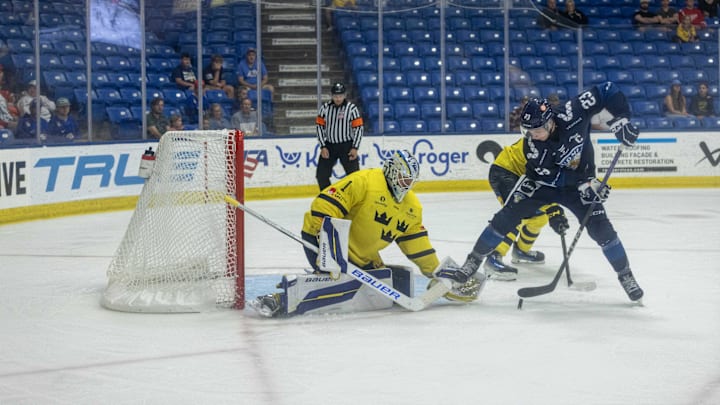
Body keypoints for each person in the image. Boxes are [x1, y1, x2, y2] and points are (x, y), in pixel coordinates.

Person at [445, 84, 645, 303]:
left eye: (537, 130)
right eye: (529, 131)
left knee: (601, 230)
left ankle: (626, 276)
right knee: (507, 216)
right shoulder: (532, 145)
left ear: (550, 122)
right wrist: (585, 185)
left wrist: (621, 120)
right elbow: (552, 178)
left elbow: (607, 90)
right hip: (543, 183)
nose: (533, 135)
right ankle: (472, 262)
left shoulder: (573, 111)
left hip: (580, 181)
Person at [248, 150, 482, 317]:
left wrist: (438, 273)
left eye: (411, 180)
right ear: (391, 172)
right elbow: (325, 204)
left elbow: (417, 244)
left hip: (360, 257)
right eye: (403, 178)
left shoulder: (412, 207)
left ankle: (332, 278)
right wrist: (329, 243)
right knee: (343, 287)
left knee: (393, 285)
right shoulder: (365, 181)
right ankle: (280, 300)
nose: (407, 184)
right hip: (324, 241)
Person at [483, 137, 570, 281]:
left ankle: (521, 250)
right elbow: (541, 181)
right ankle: (494, 257)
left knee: (540, 217)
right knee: (516, 213)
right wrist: (554, 208)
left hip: (523, 176)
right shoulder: (550, 145)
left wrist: (555, 209)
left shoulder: (566, 149)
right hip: (506, 171)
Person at [315, 82, 364, 191]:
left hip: (347, 146)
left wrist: (355, 147)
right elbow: (319, 127)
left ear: (345, 95)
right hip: (329, 146)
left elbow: (359, 128)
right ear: (331, 96)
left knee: (355, 177)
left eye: (340, 96)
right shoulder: (325, 108)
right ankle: (329, 198)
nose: (338, 98)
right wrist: (322, 146)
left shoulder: (352, 109)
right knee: (321, 175)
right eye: (336, 96)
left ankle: (354, 199)